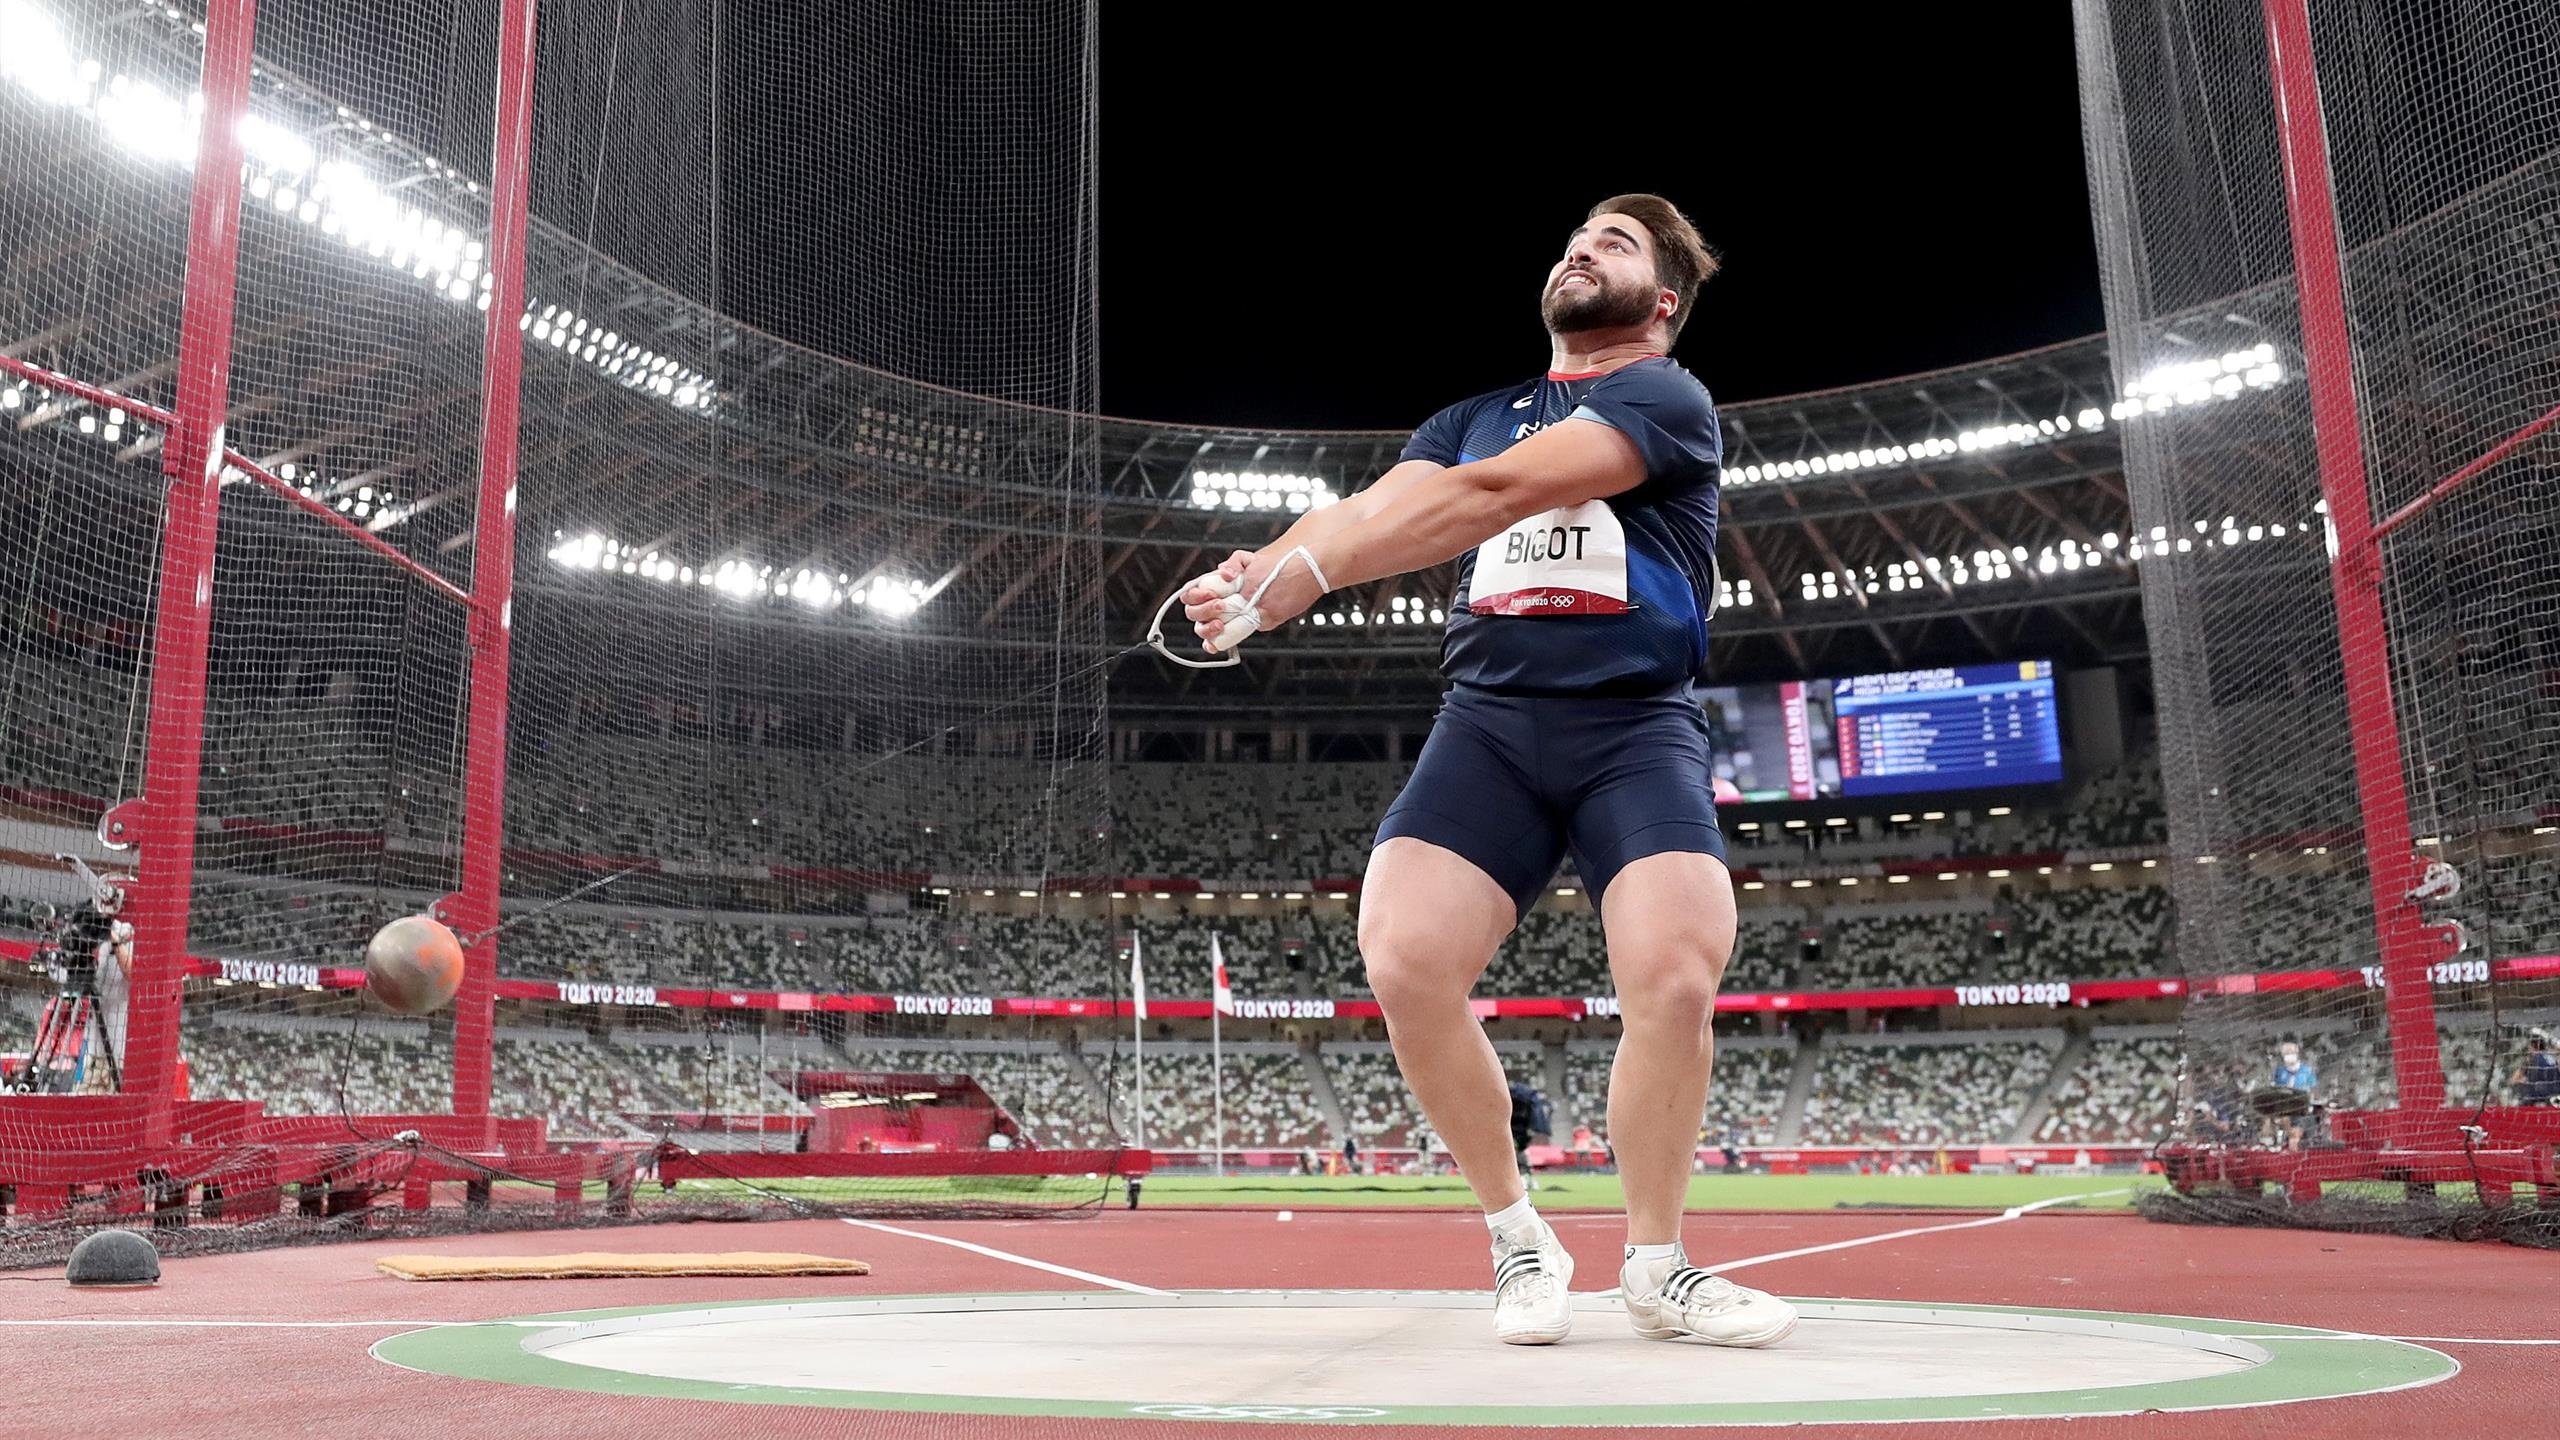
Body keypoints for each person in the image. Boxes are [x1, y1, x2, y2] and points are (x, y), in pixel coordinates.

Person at [1180, 195, 1794, 1349]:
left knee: (1671, 975)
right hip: (1490, 726)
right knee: (1405, 961)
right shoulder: (1464, 413)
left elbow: (1490, 496)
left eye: (1613, 243)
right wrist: (1256, 578)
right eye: (1573, 237)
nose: (1579, 248)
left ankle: (1657, 1267)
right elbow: (1376, 510)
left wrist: (1305, 573)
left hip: (1630, 724)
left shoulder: (1662, 394)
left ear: (1660, 299)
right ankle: (1520, 1236)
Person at [2511, 1030, 2560, 1106]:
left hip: (2537, 1100)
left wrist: (2524, 1081)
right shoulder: (2552, 1057)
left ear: (2532, 1046)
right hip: (2556, 1098)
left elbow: (2514, 1080)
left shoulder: (2531, 1059)